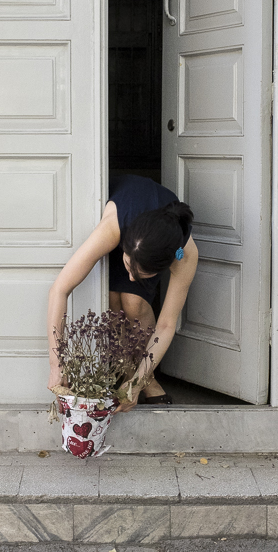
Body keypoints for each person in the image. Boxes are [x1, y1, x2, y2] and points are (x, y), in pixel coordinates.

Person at [47, 174, 198, 412]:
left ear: (166, 265)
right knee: (113, 298)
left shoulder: (184, 255)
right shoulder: (112, 228)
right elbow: (59, 289)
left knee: (133, 301)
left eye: (140, 274)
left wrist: (136, 385)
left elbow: (166, 325)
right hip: (127, 223)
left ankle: (139, 380)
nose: (131, 278)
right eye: (128, 267)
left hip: (151, 246)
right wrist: (56, 365)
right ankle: (131, 373)